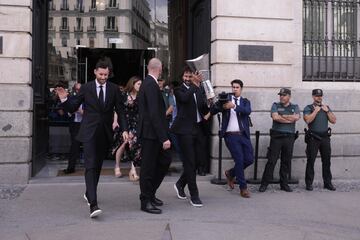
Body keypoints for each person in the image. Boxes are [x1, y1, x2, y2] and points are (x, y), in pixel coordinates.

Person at [55, 57, 128, 218]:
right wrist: (64, 98)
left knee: (97, 166)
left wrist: (124, 129)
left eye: (106, 75)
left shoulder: (114, 89)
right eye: (101, 74)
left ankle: (89, 193)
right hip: (88, 131)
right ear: (95, 72)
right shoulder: (86, 88)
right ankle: (93, 204)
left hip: (104, 133)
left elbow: (121, 111)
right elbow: (73, 107)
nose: (103, 77)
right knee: (90, 165)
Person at [171, 66, 209, 207]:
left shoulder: (198, 89)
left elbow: (202, 108)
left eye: (190, 76)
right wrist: (195, 84)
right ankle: (194, 196)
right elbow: (185, 99)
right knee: (190, 163)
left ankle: (180, 184)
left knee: (199, 161)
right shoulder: (178, 90)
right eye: (185, 77)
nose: (187, 79)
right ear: (182, 77)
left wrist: (210, 103)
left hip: (198, 128)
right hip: (185, 130)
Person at [137, 58, 171, 214]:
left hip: (152, 133)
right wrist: (163, 137)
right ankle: (145, 200)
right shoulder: (150, 84)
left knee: (164, 161)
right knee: (148, 168)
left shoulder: (149, 83)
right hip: (151, 134)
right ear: (160, 68)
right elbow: (154, 114)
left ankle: (150, 194)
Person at [210, 79, 254, 198]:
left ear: (241, 89)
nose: (234, 89)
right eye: (233, 87)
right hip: (230, 136)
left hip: (243, 135)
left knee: (249, 159)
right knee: (239, 160)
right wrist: (219, 103)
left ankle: (231, 173)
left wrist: (234, 106)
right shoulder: (225, 100)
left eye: (237, 87)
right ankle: (243, 188)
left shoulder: (245, 102)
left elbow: (247, 111)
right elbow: (213, 111)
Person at [259, 88, 300, 193]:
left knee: (286, 161)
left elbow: (296, 117)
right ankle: (264, 184)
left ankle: (284, 184)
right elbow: (275, 117)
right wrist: (288, 119)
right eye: (280, 95)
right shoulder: (275, 105)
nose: (281, 97)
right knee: (271, 161)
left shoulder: (295, 107)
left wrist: (283, 116)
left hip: (289, 137)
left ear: (289, 96)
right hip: (277, 137)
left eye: (284, 95)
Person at [303, 89, 337, 191]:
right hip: (313, 137)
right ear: (313, 97)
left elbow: (334, 120)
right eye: (317, 96)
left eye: (320, 96)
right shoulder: (308, 108)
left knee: (327, 161)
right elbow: (307, 119)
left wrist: (327, 111)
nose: (319, 97)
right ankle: (309, 183)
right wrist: (316, 111)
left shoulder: (326, 108)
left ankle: (328, 183)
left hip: (325, 138)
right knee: (311, 161)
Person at [112, 76, 142, 181]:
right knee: (123, 143)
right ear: (132, 84)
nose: (140, 86)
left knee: (134, 145)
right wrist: (115, 121)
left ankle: (133, 170)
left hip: (135, 123)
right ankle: (117, 166)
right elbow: (118, 110)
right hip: (124, 122)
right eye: (138, 84)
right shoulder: (124, 95)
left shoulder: (141, 96)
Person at [63, 83, 83, 174]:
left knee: (89, 147)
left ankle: (91, 168)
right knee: (74, 146)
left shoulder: (87, 99)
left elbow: (91, 113)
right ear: (74, 90)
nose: (78, 91)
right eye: (77, 89)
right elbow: (66, 112)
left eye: (80, 89)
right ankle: (71, 168)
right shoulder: (71, 99)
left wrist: (80, 111)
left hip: (85, 125)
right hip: (75, 125)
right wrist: (71, 112)